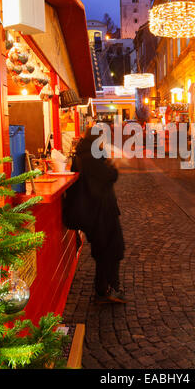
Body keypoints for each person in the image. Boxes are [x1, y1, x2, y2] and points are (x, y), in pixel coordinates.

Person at [68, 127, 126, 304]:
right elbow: (110, 175)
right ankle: (106, 290)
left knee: (103, 250)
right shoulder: (92, 157)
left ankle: (105, 288)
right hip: (102, 212)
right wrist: (112, 164)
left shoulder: (81, 155)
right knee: (111, 249)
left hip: (94, 212)